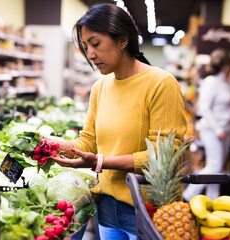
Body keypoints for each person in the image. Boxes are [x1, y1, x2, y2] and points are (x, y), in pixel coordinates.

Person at [50, 3, 187, 239]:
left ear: (123, 40)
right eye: (85, 47)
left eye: (95, 44)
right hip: (107, 208)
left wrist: (101, 162)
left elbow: (164, 157)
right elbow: (89, 141)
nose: (90, 55)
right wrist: (54, 145)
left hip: (148, 209)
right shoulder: (100, 87)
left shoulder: (160, 83)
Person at [183, 47, 230, 202]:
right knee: (214, 167)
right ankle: (187, 196)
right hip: (213, 131)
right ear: (223, 65)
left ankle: (212, 199)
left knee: (217, 168)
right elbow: (204, 108)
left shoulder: (226, 82)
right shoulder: (211, 82)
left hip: (226, 131)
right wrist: (218, 129)